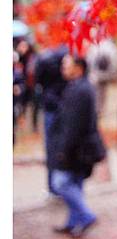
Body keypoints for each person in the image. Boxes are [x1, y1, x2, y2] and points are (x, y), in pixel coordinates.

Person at [49, 55, 104, 238]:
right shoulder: (79, 87)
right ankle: (73, 223)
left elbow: (73, 125)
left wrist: (63, 150)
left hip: (76, 148)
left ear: (78, 68)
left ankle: (86, 216)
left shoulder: (80, 90)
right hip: (81, 148)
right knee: (75, 184)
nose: (62, 69)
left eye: (66, 65)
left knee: (61, 183)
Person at [35, 45, 68, 195]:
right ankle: (62, 185)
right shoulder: (68, 55)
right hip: (62, 104)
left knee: (51, 147)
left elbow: (38, 80)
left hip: (51, 106)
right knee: (63, 145)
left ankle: (53, 186)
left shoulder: (44, 58)